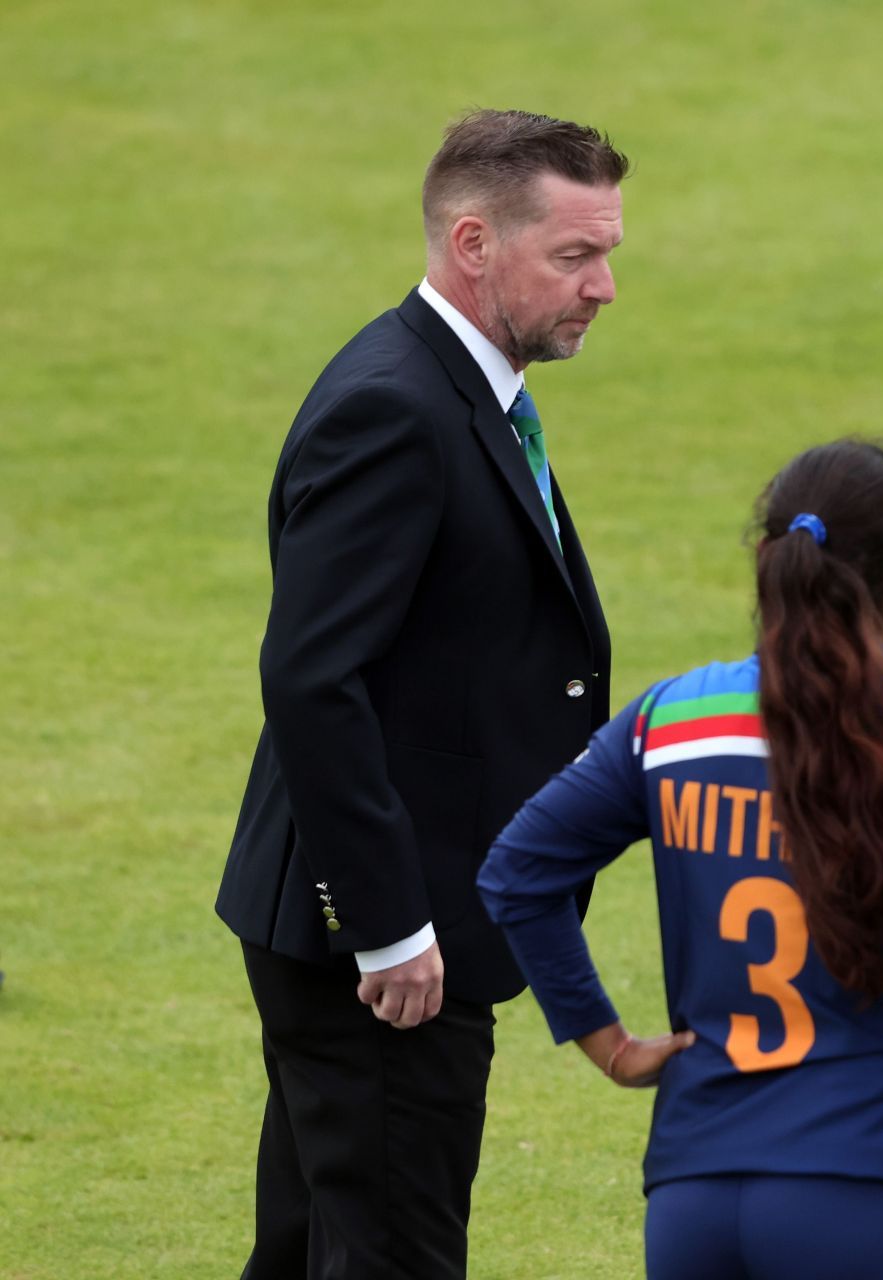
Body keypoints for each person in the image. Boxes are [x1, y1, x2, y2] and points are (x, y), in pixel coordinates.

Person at [478, 439, 883, 1279]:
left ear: (767, 562)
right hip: (876, 1193)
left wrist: (607, 1041)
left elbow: (518, 870)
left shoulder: (669, 723)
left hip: (694, 1201)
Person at [216, 109, 629, 1278]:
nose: (603, 288)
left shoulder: (460, 389)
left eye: (608, 253)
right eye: (574, 256)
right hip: (386, 945)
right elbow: (311, 673)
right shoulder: (394, 407)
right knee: (393, 1254)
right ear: (473, 242)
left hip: (396, 920)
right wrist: (389, 926)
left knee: (313, 1248)